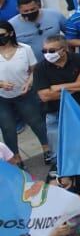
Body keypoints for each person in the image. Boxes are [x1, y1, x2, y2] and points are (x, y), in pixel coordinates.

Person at [33, 32, 80, 164]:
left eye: (52, 50)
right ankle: (65, 176)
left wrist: (59, 87)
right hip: (55, 113)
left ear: (64, 49)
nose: (47, 53)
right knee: (58, 152)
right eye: (44, 50)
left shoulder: (79, 59)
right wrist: (78, 85)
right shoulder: (40, 68)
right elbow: (44, 96)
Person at [0, 19, 49, 166]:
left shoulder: (24, 49)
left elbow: (34, 70)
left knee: (36, 121)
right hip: (2, 98)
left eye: (2, 34)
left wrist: (29, 83)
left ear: (10, 33)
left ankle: (47, 148)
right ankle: (15, 157)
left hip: (24, 94)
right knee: (7, 128)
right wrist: (1, 84)